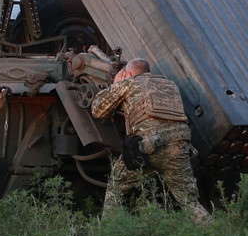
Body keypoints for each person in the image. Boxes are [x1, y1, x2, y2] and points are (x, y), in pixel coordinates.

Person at [91, 58, 212, 225]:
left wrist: (117, 83)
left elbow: (97, 109)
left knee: (116, 187)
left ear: (128, 73)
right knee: (189, 202)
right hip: (179, 148)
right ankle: (215, 232)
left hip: (147, 148)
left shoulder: (129, 83)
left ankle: (109, 230)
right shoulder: (170, 85)